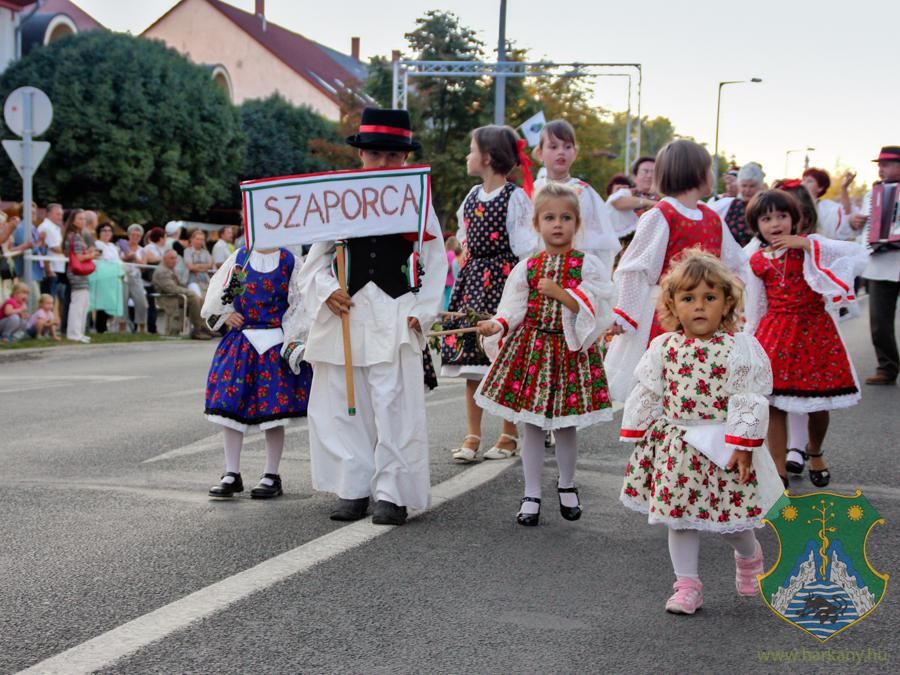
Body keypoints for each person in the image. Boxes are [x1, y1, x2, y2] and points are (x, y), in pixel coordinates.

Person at [292, 107, 447, 525]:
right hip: (348, 314)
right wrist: (326, 291)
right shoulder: (337, 200)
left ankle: (392, 491)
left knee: (392, 402)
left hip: (394, 313)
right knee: (345, 404)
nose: (383, 164)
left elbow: (435, 260)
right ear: (361, 156)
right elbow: (314, 262)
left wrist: (422, 311)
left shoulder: (417, 201)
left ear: (406, 160)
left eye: (393, 157)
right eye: (375, 155)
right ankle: (353, 485)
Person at [619, 249, 782, 615]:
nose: (699, 306)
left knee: (731, 521)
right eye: (688, 298)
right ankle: (687, 584)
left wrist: (743, 445)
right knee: (678, 518)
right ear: (673, 306)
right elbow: (648, 391)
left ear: (726, 304)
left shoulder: (738, 348)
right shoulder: (664, 347)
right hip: (677, 447)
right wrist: (638, 432)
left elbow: (748, 397)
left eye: (709, 298)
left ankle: (749, 555)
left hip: (724, 446)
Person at [475, 183, 615, 525]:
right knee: (533, 426)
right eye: (549, 217)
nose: (558, 224)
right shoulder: (528, 267)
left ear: (576, 223)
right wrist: (497, 325)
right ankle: (532, 493)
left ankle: (567, 484)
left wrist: (562, 294)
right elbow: (514, 307)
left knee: (567, 427)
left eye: (566, 218)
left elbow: (598, 307)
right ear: (537, 224)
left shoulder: (588, 266)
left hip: (569, 354)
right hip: (534, 351)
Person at [604, 140, 750, 401]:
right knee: (663, 386)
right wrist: (626, 313)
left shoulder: (711, 217)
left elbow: (736, 262)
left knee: (700, 384)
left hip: (707, 317)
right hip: (665, 315)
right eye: (709, 168)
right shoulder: (662, 214)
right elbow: (634, 268)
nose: (712, 175)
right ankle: (660, 439)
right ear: (694, 172)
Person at [743, 190, 867, 488]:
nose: (775, 224)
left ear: (794, 219)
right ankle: (777, 466)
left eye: (782, 216)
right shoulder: (756, 260)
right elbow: (755, 306)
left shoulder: (811, 246)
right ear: (756, 225)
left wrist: (809, 244)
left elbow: (859, 255)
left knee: (818, 403)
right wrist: (749, 341)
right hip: (775, 332)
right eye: (767, 218)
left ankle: (815, 450)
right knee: (774, 403)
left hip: (814, 333)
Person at [441, 124, 537, 463]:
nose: (467, 155)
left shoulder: (515, 198)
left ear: (488, 157)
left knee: (502, 362)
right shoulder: (470, 197)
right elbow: (465, 240)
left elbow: (526, 247)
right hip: (473, 282)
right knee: (473, 364)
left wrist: (525, 291)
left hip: (503, 282)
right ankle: (473, 433)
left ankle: (509, 433)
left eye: (471, 149)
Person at [201, 241, 313, 499]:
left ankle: (271, 474)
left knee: (273, 410)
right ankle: (231, 473)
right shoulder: (239, 258)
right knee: (230, 405)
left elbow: (300, 302)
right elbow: (217, 291)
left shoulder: (289, 261)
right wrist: (225, 314)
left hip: (274, 341)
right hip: (242, 340)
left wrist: (293, 338)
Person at [532, 119, 621, 270]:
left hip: (574, 270)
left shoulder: (585, 193)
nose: (561, 151)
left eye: (567, 147)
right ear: (540, 153)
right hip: (538, 267)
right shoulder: (533, 191)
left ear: (574, 153)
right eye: (553, 147)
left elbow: (600, 240)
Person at [848, 146, 900, 386]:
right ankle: (887, 367)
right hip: (879, 264)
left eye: (887, 164)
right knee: (879, 321)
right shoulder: (873, 195)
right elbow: (861, 228)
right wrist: (856, 222)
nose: (881, 169)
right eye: (879, 164)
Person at [152, 249, 213, 340]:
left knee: (199, 298)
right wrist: (188, 291)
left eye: (175, 258)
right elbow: (171, 288)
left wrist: (187, 291)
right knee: (194, 298)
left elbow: (179, 285)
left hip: (175, 296)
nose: (174, 260)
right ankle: (198, 329)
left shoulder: (170, 269)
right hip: (166, 297)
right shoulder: (162, 271)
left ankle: (203, 327)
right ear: (164, 259)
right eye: (171, 258)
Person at [710, 162, 765, 247]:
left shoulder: (765, 208)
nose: (747, 190)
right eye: (744, 186)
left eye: (752, 186)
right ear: (739, 186)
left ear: (760, 186)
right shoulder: (728, 204)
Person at [63, 209, 98, 343]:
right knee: (78, 304)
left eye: (84, 219)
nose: (83, 221)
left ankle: (79, 332)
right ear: (73, 221)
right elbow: (78, 257)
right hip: (77, 273)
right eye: (80, 219)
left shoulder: (74, 235)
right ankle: (74, 333)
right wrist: (91, 255)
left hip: (77, 272)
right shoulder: (75, 236)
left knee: (83, 303)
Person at [607, 156, 659, 241]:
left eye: (653, 172)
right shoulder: (626, 193)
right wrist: (649, 203)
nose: (649, 176)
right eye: (645, 171)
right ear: (635, 177)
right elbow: (616, 202)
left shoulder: (664, 197)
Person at [801, 168, 855, 241]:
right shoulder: (792, 202)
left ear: (820, 188)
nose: (803, 183)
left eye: (809, 181)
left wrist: (844, 188)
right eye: (803, 180)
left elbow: (845, 214)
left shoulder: (826, 207)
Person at [90, 222, 125, 333]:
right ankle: (100, 327)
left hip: (112, 279)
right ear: (99, 232)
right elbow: (104, 259)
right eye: (104, 230)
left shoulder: (113, 246)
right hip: (102, 277)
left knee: (110, 302)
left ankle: (106, 326)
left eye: (109, 231)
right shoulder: (97, 244)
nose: (107, 233)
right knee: (101, 303)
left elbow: (117, 261)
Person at [37, 203, 67, 323]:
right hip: (52, 268)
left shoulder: (55, 228)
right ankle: (45, 326)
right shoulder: (46, 227)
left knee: (60, 299)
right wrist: (69, 251)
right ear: (49, 213)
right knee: (49, 300)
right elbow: (56, 248)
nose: (60, 217)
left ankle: (56, 325)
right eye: (58, 214)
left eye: (61, 214)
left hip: (59, 267)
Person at [118, 224, 149, 333]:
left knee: (142, 302)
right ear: (129, 235)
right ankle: (122, 328)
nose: (135, 237)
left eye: (138, 235)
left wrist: (135, 257)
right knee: (122, 302)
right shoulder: (121, 246)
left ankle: (142, 328)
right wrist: (126, 258)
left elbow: (144, 266)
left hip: (136, 277)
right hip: (123, 277)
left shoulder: (142, 250)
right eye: (133, 234)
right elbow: (117, 260)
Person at [184, 228, 213, 296]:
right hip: (192, 280)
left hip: (205, 280)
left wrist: (196, 266)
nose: (199, 241)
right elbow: (190, 267)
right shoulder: (187, 251)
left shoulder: (206, 252)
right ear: (192, 239)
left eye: (201, 239)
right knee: (198, 296)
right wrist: (204, 266)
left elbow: (210, 266)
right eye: (197, 239)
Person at [443, 235, 461, 310]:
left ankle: (446, 311)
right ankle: (448, 312)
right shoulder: (454, 254)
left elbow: (446, 267)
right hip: (452, 281)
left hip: (447, 282)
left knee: (447, 298)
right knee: (450, 298)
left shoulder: (448, 254)